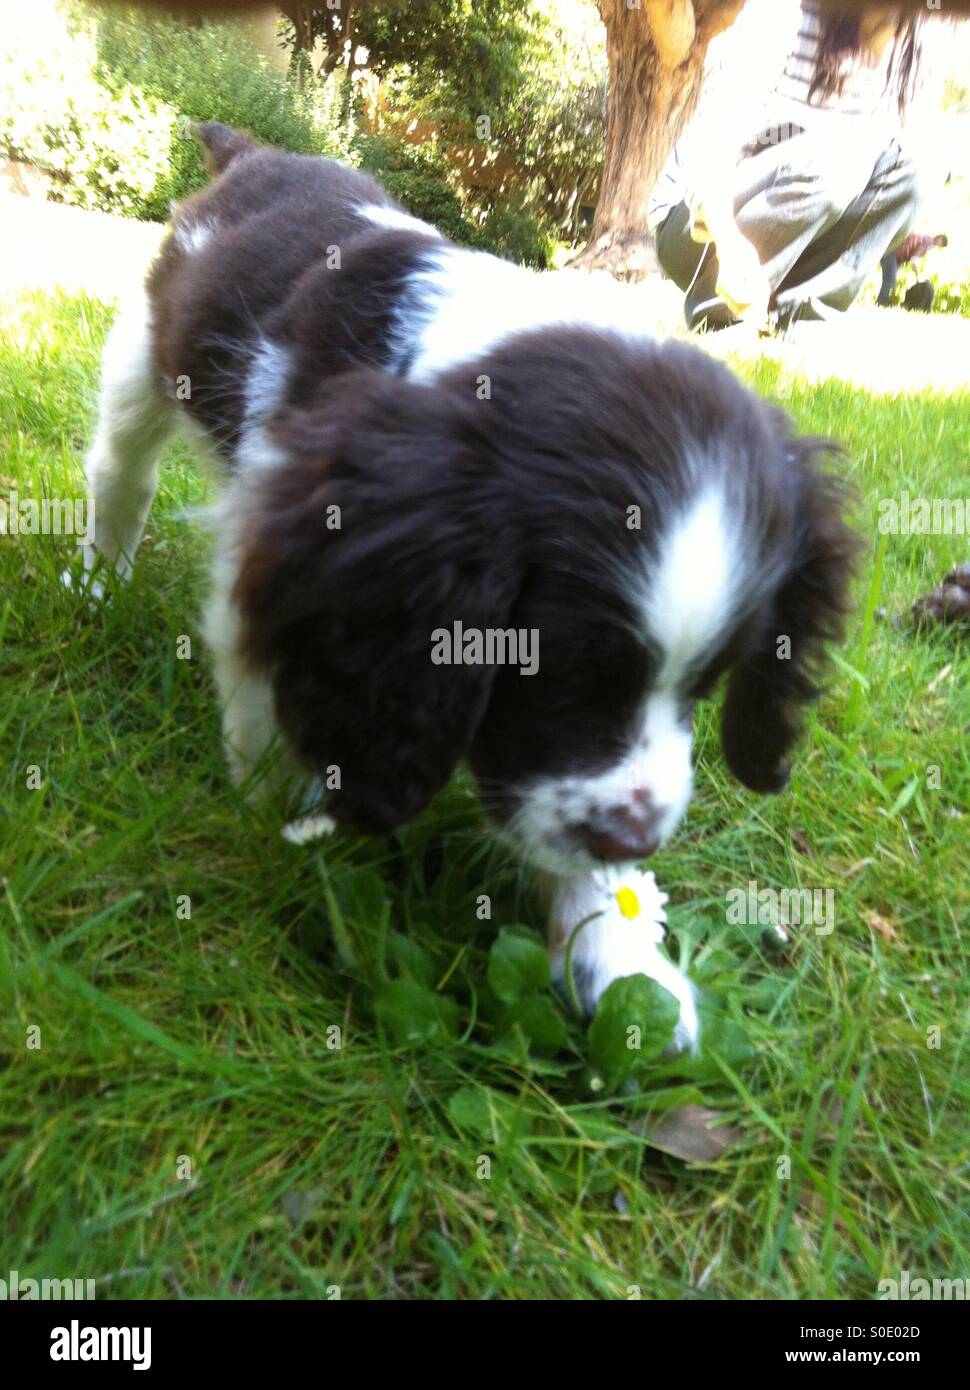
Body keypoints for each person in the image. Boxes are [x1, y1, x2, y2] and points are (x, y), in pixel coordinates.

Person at [648, 0, 925, 331]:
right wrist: (733, 250)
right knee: (834, 152)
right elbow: (709, 159)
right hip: (695, 228)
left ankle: (799, 323)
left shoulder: (906, 51)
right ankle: (721, 311)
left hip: (794, 207)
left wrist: (897, 222)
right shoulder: (784, 14)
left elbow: (880, 184)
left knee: (908, 171)